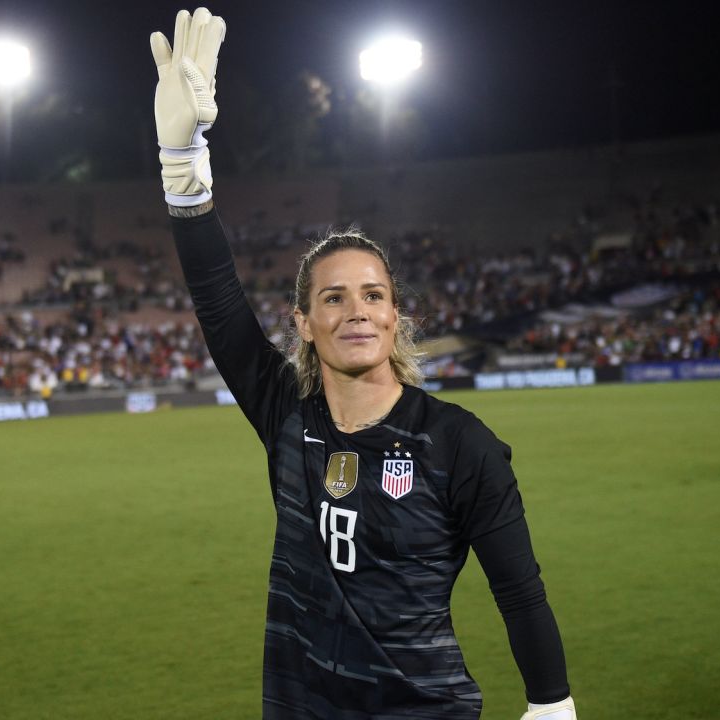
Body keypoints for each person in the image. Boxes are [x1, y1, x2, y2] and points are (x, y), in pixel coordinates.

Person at [151, 9, 577, 719]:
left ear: (393, 317)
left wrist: (551, 705)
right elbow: (219, 304)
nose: (356, 309)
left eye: (374, 295)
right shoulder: (286, 416)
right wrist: (181, 166)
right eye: (335, 297)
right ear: (305, 324)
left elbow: (520, 591)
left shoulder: (459, 444)